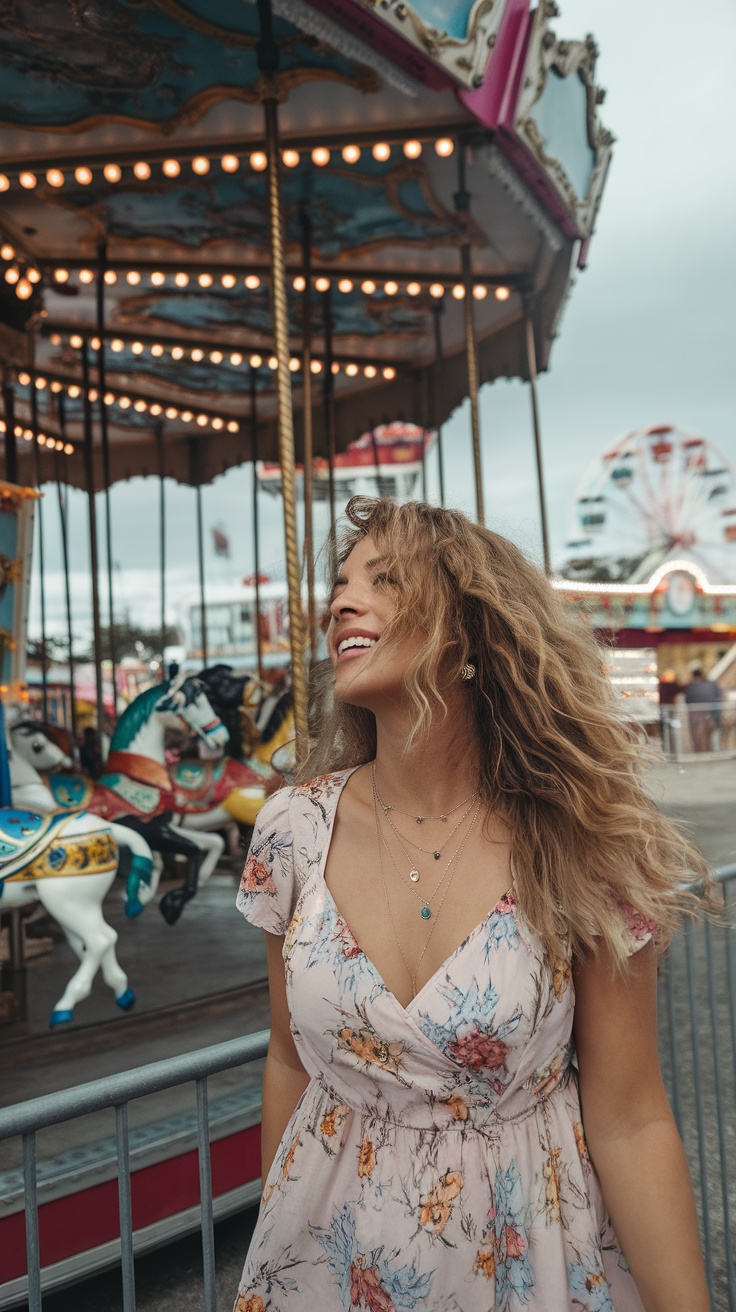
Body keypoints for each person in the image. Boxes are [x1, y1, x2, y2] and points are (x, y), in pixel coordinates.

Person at [235, 497, 713, 1312]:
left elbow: (631, 1118)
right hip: (327, 1261)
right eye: (341, 584)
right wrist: (275, 1253)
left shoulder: (578, 842)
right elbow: (288, 1061)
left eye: (384, 581)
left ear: (469, 630)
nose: (340, 602)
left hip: (523, 1261)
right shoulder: (292, 830)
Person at [684, 665, 721, 752]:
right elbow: (718, 695)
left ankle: (701, 752)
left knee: (699, 735)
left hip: (696, 714)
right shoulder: (711, 684)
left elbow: (687, 700)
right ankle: (708, 751)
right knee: (708, 734)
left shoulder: (691, 686)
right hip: (711, 712)